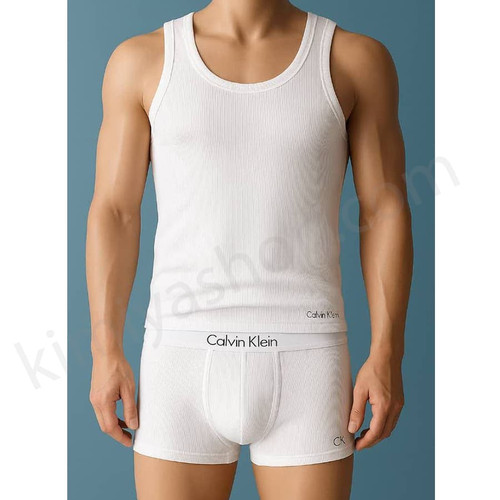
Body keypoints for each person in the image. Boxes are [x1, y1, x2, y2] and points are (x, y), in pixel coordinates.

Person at [86, 0, 413, 498]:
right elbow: (114, 211)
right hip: (180, 356)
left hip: (308, 357)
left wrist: (387, 352)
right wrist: (105, 349)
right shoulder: (143, 61)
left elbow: (384, 209)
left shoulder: (353, 60)